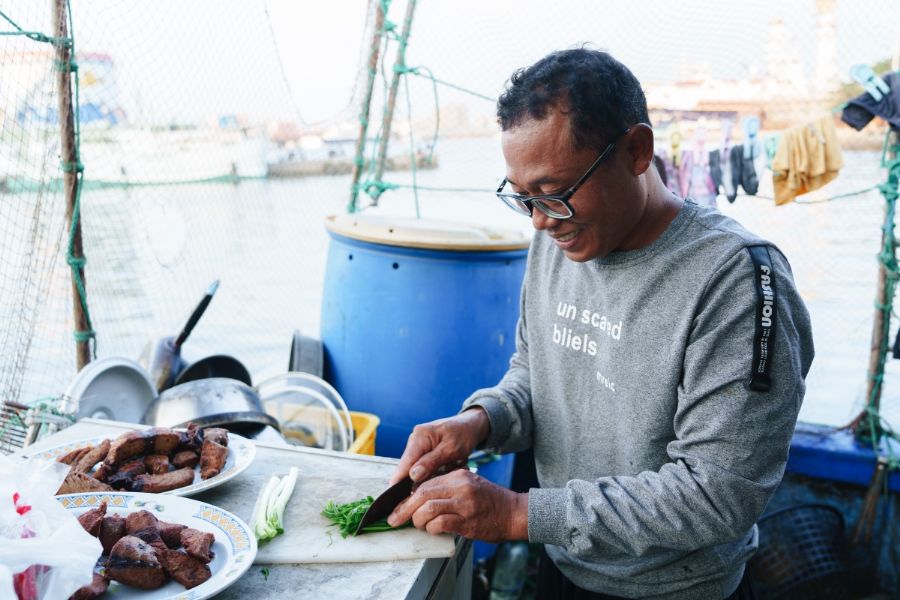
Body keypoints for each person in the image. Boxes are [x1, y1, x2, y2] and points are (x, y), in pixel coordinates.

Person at [386, 47, 814, 600]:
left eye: (555, 193)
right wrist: (480, 421)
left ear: (637, 151)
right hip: (564, 564)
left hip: (677, 590)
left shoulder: (735, 282)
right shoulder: (560, 242)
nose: (541, 221)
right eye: (523, 198)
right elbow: (534, 373)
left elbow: (719, 492)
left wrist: (517, 514)